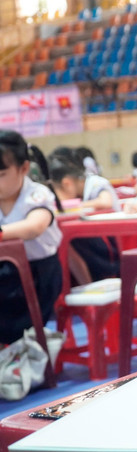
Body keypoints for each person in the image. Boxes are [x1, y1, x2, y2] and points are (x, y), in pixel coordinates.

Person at [0, 131, 62, 345]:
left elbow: (34, 227)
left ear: (24, 168)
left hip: (38, 276)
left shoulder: (37, 195)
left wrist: (2, 233)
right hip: (5, 274)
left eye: (1, 174)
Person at [49, 153, 120, 283]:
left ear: (67, 183)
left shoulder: (95, 183)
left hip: (113, 242)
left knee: (71, 240)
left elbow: (106, 202)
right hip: (95, 241)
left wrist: (73, 205)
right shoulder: (80, 190)